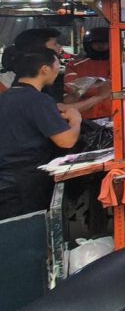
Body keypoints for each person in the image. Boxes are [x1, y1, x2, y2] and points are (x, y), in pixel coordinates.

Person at [0, 48, 83, 219]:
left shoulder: (6, 97)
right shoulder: (38, 100)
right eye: (57, 65)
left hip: (6, 178)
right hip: (26, 182)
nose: (58, 70)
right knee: (28, 234)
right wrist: (76, 120)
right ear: (44, 69)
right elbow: (66, 141)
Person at [63, 27, 113, 120]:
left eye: (106, 43)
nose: (101, 46)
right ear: (88, 45)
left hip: (113, 115)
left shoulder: (118, 64)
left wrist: (89, 85)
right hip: (84, 117)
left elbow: (114, 90)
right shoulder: (74, 65)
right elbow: (72, 91)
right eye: (97, 43)